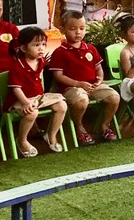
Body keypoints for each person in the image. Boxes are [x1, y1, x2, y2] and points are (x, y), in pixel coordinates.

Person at [49, 10, 120, 145]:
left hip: (93, 85)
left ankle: (105, 125)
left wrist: (99, 79)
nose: (78, 32)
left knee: (114, 97)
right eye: (73, 29)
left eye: (82, 28)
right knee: (82, 101)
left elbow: (98, 68)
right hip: (71, 88)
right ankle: (79, 127)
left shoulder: (91, 48)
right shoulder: (60, 52)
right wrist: (78, 83)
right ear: (63, 30)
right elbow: (58, 76)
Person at [5, 26, 68, 155]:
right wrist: (25, 102)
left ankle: (51, 135)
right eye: (36, 45)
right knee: (32, 113)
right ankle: (22, 140)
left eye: (44, 44)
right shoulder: (17, 66)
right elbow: (16, 89)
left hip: (38, 97)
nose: (41, 48)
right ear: (23, 48)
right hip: (20, 100)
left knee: (62, 105)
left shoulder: (41, 60)